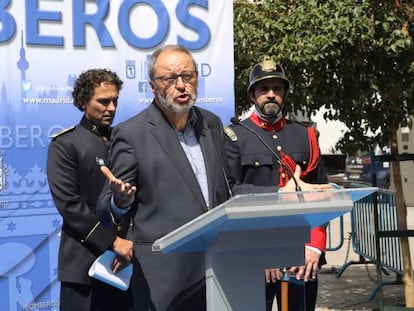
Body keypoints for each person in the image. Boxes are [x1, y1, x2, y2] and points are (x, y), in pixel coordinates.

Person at [96, 44, 231, 310]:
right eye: (170, 78)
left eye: (188, 76)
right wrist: (120, 201)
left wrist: (282, 194)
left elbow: (228, 187)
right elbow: (105, 206)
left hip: (218, 268)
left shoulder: (212, 124)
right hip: (165, 278)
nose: (181, 85)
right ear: (153, 86)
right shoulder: (132, 133)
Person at [224, 56, 331, 311]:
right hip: (253, 255)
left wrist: (314, 246)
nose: (271, 94)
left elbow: (322, 193)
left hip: (301, 255)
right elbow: (231, 192)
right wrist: (261, 249)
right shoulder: (235, 136)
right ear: (252, 95)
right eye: (263, 89)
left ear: (284, 93)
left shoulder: (305, 135)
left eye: (277, 89)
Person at [47, 69, 133, 311]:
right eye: (103, 101)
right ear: (83, 102)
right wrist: (111, 242)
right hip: (83, 266)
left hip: (126, 262)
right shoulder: (65, 144)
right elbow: (69, 205)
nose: (112, 108)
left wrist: (128, 243)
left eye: (115, 100)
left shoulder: (124, 140)